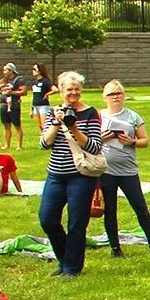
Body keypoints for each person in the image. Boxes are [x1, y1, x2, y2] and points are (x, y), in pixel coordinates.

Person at [38, 72, 104, 277]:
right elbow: (44, 144)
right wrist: (58, 123)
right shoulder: (52, 112)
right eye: (69, 89)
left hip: (81, 176)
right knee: (47, 219)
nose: (73, 93)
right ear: (61, 90)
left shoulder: (90, 113)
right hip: (56, 175)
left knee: (76, 222)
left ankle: (72, 268)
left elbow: (94, 147)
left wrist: (74, 127)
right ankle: (64, 259)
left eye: (77, 89)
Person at [98, 80, 150, 256]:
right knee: (110, 209)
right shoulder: (99, 116)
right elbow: (88, 142)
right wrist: (102, 139)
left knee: (140, 206)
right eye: (112, 94)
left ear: (124, 96)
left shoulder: (133, 116)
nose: (116, 97)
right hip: (106, 171)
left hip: (128, 171)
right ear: (105, 97)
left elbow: (145, 141)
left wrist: (132, 141)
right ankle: (115, 247)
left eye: (119, 93)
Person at [0, 63, 24, 150]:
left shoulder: (19, 79)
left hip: (14, 105)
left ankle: (19, 145)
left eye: (5, 70)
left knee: (17, 125)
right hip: (3, 105)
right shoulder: (4, 80)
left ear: (11, 71)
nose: (4, 72)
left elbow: (24, 91)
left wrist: (12, 93)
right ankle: (7, 144)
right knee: (6, 125)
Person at [27, 63, 54, 135]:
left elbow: (55, 89)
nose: (33, 71)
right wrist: (31, 109)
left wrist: (47, 94)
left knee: (44, 125)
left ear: (39, 71)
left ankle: (47, 139)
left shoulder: (45, 81)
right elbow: (34, 96)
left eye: (34, 69)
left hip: (43, 106)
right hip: (35, 106)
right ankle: (42, 139)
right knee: (39, 126)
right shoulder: (34, 82)